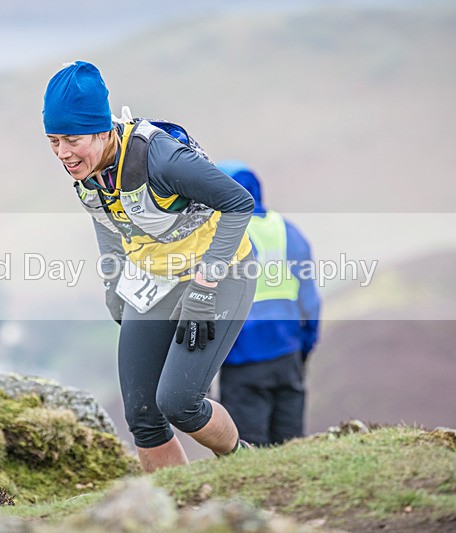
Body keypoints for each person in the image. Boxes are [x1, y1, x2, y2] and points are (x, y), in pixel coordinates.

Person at [42, 61, 258, 471]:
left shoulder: (161, 159)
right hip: (154, 277)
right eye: (53, 141)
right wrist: (113, 285)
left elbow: (239, 202)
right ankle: (176, 510)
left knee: (180, 403)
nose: (63, 153)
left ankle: (246, 465)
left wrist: (203, 286)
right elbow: (105, 220)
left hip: (221, 271)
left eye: (72, 139)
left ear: (103, 130)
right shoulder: (88, 171)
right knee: (143, 414)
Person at [216, 160, 321, 446]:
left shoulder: (221, 235)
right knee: (290, 448)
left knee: (248, 453)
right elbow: (309, 301)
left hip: (242, 359)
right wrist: (304, 346)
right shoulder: (288, 231)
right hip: (288, 355)